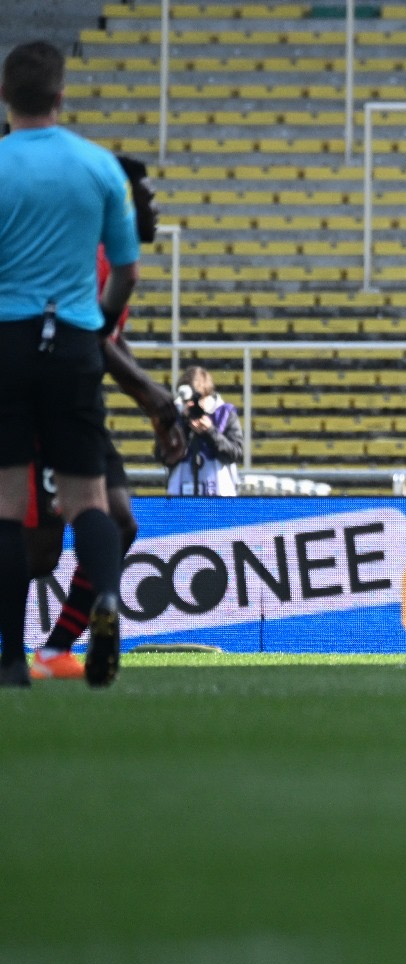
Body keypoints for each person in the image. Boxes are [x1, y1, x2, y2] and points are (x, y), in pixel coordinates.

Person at [0, 41, 137, 688]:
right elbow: (126, 271)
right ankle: (106, 602)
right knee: (88, 501)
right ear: (60, 96)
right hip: (75, 342)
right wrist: (98, 324)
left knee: (5, 506)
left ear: (6, 99)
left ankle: (9, 661)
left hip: (6, 343)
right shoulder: (99, 167)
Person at [30, 155, 185, 680]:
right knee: (39, 551)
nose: (156, 206)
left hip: (81, 410)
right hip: (42, 403)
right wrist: (152, 398)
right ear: (118, 201)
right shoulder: (95, 256)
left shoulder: (113, 259)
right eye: (145, 194)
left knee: (118, 524)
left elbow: (110, 341)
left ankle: (54, 652)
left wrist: (155, 409)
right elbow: (89, 338)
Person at [166, 365, 244, 497]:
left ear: (207, 394)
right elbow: (163, 455)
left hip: (219, 498)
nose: (192, 405)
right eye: (188, 401)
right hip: (180, 498)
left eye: (197, 399)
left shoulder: (224, 413)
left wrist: (210, 432)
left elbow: (235, 454)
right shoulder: (174, 416)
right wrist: (183, 427)